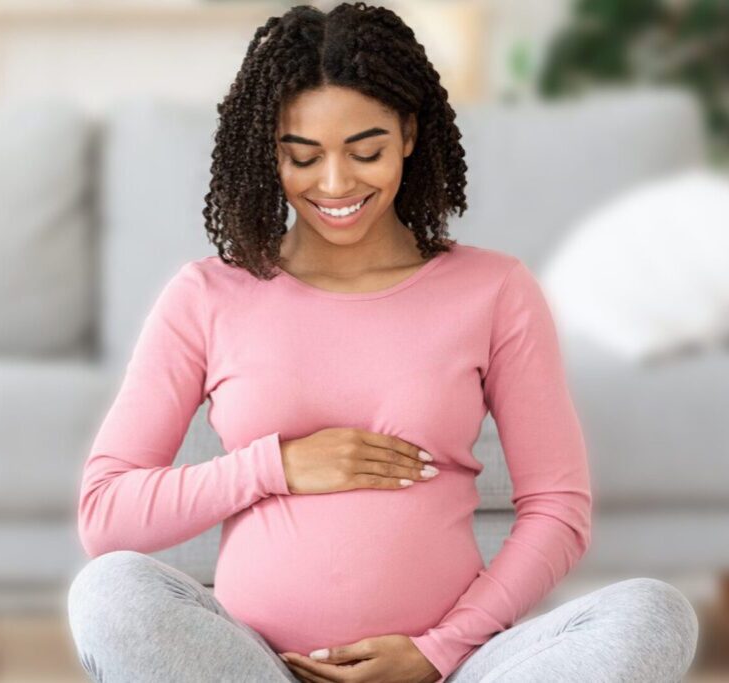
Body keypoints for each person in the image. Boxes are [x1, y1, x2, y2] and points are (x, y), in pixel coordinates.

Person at [66, 3, 700, 681]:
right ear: (266, 153)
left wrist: (439, 648)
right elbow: (107, 516)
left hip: (456, 668)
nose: (335, 184)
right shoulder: (205, 295)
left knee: (655, 614)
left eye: (364, 150)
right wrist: (275, 466)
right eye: (301, 157)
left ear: (408, 132)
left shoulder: (495, 290)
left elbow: (558, 510)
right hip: (258, 666)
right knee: (107, 595)